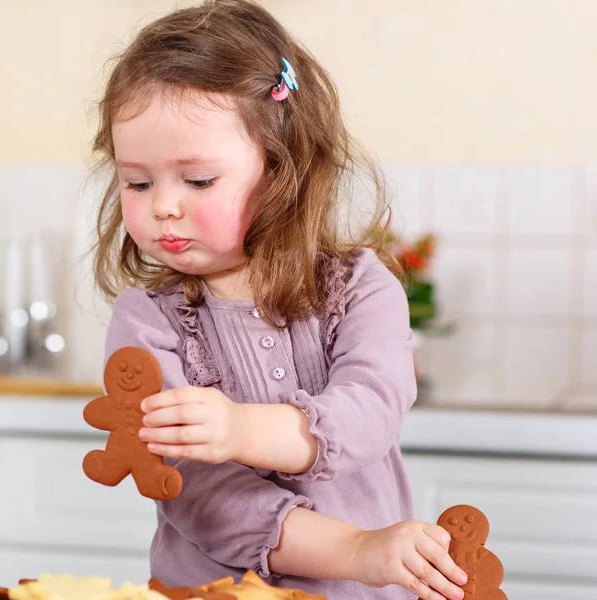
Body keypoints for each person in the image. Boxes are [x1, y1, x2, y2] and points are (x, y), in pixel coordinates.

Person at [90, 1, 467, 599]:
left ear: (280, 168)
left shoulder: (362, 288)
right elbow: (201, 496)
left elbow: (370, 410)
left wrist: (241, 429)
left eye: (198, 180)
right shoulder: (147, 323)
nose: (162, 204)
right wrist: (354, 549)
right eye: (137, 181)